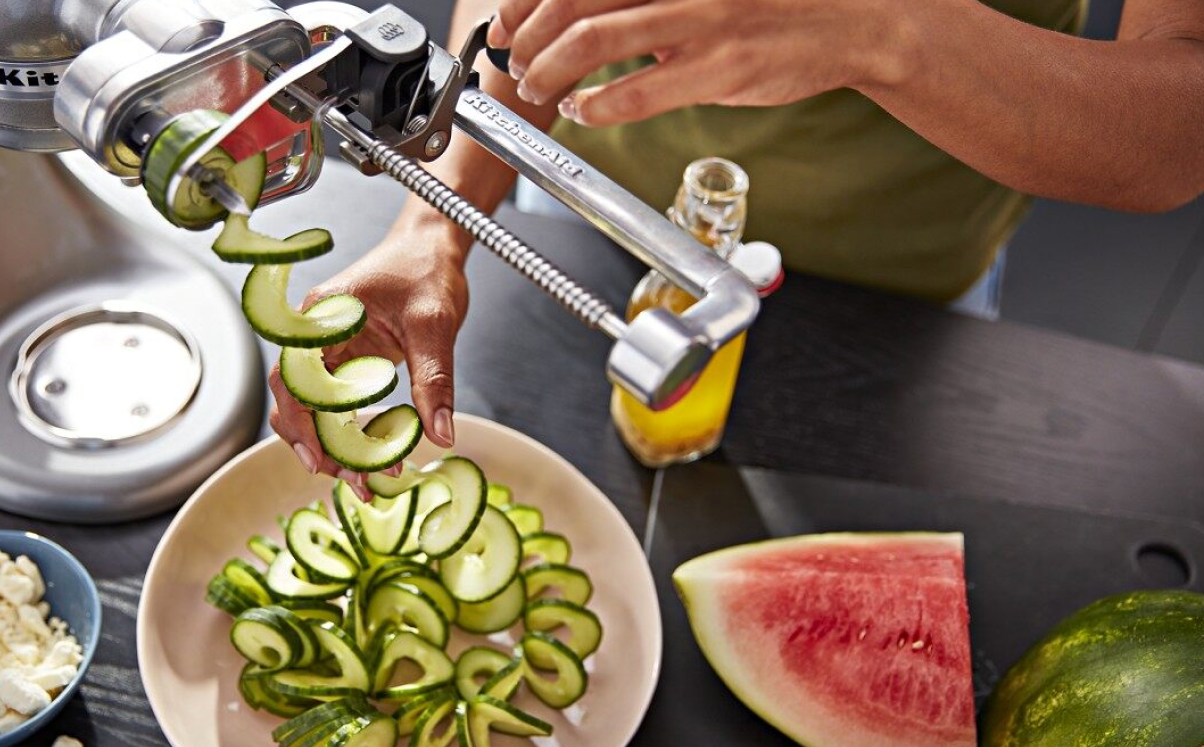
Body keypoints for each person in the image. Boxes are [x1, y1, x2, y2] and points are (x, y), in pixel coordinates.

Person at [272, 0, 1204, 492]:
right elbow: (521, 17)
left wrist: (885, 29)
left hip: (893, 287)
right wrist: (434, 222)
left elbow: (1176, 132)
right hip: (582, 213)